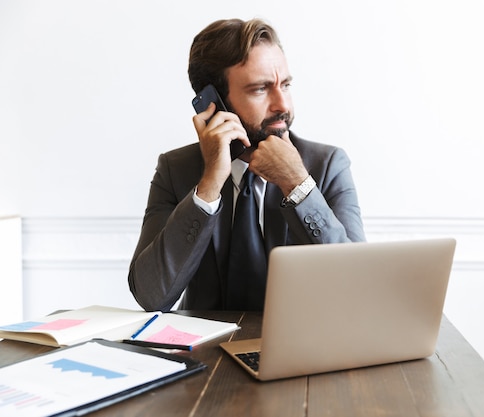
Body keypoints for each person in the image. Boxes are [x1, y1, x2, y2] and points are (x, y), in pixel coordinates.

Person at [128, 18, 365, 312]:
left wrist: (297, 185)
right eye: (260, 89)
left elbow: (358, 287)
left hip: (303, 351)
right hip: (206, 353)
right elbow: (151, 296)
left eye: (286, 85)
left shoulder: (327, 165)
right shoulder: (176, 170)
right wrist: (210, 184)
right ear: (213, 103)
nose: (283, 105)